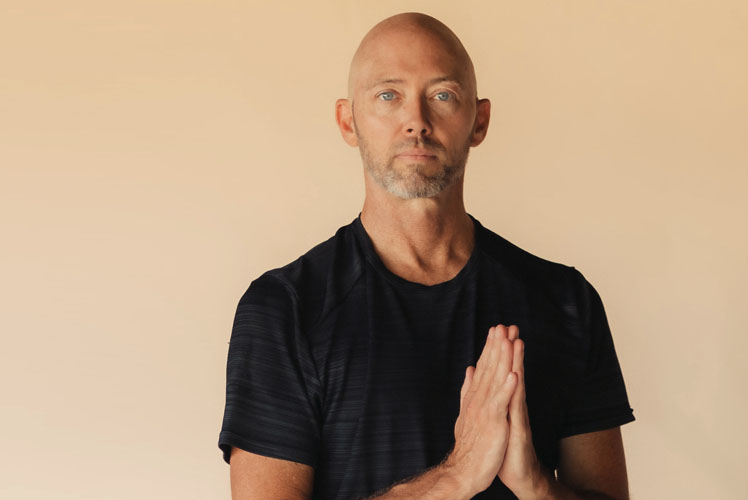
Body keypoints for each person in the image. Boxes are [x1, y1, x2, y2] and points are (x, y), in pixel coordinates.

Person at [218, 11, 635, 500]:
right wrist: (456, 476)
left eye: (442, 95)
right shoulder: (284, 309)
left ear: (478, 121)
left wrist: (536, 485)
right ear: (347, 121)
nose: (416, 121)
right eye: (388, 95)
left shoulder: (566, 301)